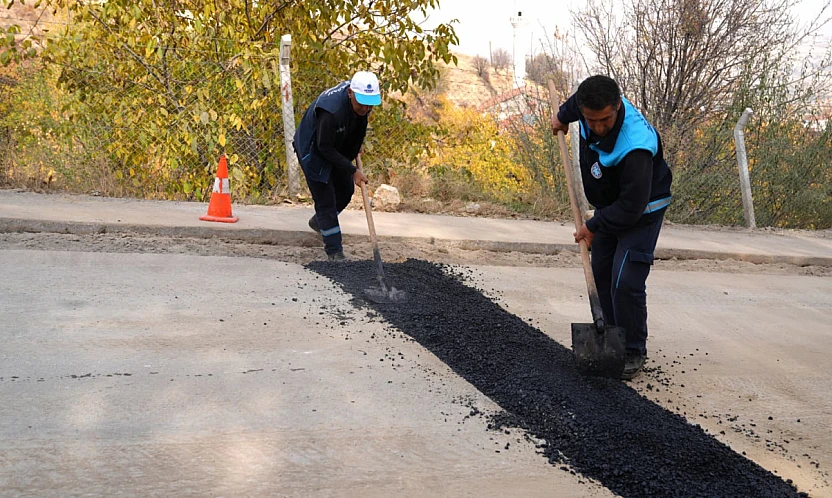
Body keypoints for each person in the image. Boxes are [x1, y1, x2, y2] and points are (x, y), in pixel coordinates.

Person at [551, 75, 673, 380]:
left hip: (643, 210)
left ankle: (632, 350)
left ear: (617, 107)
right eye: (591, 120)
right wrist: (561, 118)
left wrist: (594, 226)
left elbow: (632, 206)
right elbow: (572, 108)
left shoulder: (636, 149)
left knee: (625, 279)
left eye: (605, 119)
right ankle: (608, 337)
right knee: (602, 271)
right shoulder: (588, 108)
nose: (598, 126)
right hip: (610, 208)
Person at [293, 71, 381, 261]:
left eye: (370, 104)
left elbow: (359, 125)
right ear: (350, 93)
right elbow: (323, 147)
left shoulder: (362, 104)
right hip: (313, 149)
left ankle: (320, 223)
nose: (366, 108)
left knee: (345, 190)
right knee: (326, 201)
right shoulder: (331, 111)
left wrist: (355, 147)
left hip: (334, 146)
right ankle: (335, 253)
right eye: (362, 103)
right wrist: (352, 171)